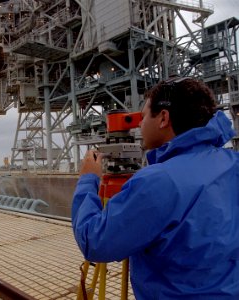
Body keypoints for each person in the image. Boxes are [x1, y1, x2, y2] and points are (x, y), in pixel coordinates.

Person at [72, 77, 239, 299]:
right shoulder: (232, 163)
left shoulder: (157, 181)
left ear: (163, 118)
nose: (139, 125)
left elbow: (94, 241)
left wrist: (88, 179)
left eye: (143, 117)